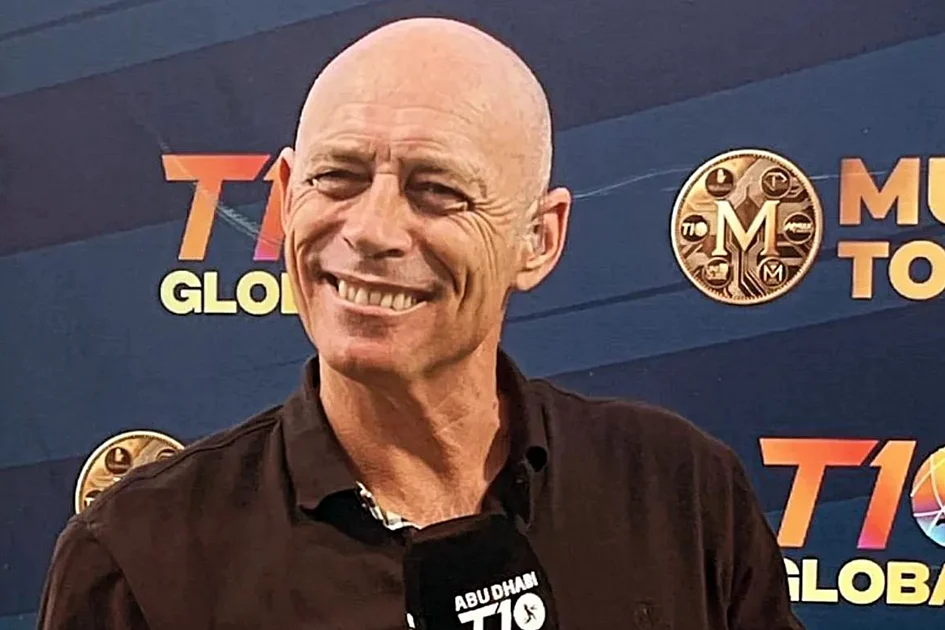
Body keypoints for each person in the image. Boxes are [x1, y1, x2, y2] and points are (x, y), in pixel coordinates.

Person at [36, 16, 805, 630]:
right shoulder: (139, 555)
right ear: (284, 196)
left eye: (436, 190)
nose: (371, 229)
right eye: (336, 178)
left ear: (537, 239)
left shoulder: (677, 489)